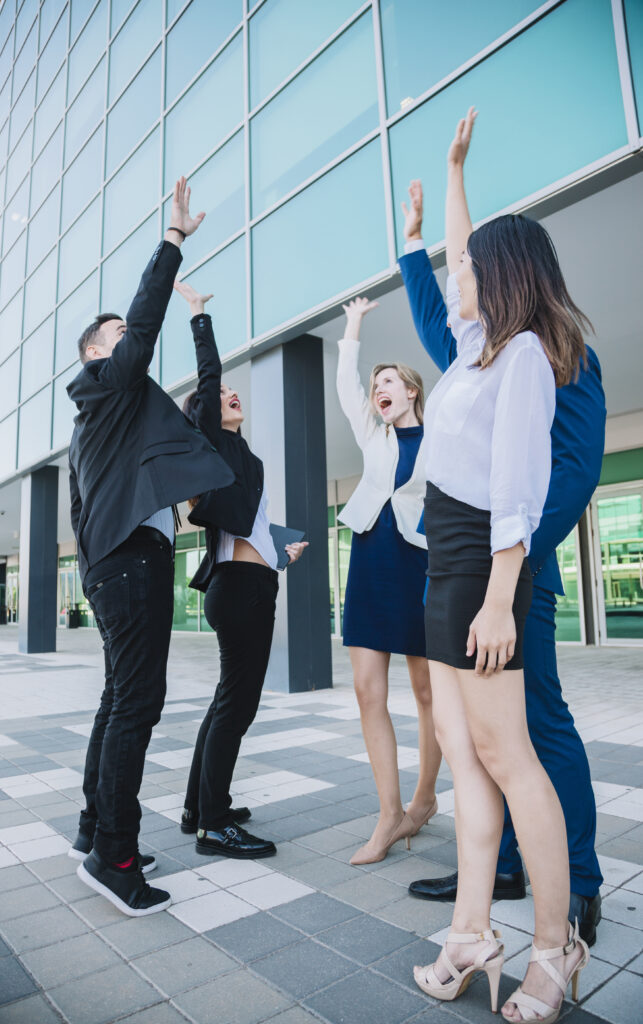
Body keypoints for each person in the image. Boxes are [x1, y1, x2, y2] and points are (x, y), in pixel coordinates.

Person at [409, 110, 590, 1023]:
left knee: (512, 760)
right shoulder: (472, 353)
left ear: (507, 275)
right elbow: (453, 254)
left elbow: (518, 492)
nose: (462, 274)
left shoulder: (521, 358)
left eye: (476, 265)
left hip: (481, 567)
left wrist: (497, 602)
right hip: (438, 569)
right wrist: (452, 170)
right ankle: (472, 935)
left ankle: (556, 951)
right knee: (467, 765)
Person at [67, 179, 234, 916]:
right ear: (102, 351)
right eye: (120, 336)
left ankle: (93, 830)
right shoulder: (107, 385)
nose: (133, 343)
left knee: (118, 701)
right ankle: (115, 856)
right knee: (137, 703)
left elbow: (201, 403)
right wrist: (172, 240)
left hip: (114, 562)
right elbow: (140, 324)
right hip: (128, 560)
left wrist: (203, 327)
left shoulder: (106, 421)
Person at [175, 278, 308, 859]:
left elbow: (246, 527)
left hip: (251, 579)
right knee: (238, 703)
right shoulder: (214, 446)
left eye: (233, 391)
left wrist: (282, 548)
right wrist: (200, 317)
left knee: (228, 700)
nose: (230, 393)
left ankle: (199, 808)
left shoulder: (244, 459)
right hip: (240, 590)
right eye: (222, 393)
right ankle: (213, 826)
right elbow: (206, 385)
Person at [336, 298, 440, 865]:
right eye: (377, 382)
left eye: (391, 381)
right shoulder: (372, 436)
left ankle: (424, 802)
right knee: (366, 691)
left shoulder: (438, 436)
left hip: (421, 562)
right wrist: (354, 325)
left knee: (428, 693)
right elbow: (344, 382)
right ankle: (388, 814)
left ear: (413, 392)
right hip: (372, 559)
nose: (380, 388)